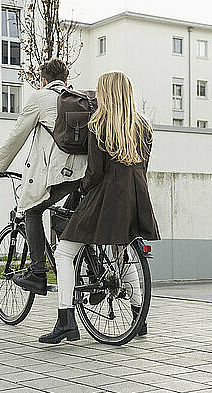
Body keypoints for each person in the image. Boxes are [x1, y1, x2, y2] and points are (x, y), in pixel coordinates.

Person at [39, 71, 161, 344]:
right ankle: (138, 318)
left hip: (106, 196)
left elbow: (95, 172)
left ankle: (66, 320)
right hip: (136, 195)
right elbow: (144, 167)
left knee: (64, 253)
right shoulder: (143, 126)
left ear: (106, 93)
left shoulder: (99, 124)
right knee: (123, 249)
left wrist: (80, 188)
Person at [0, 58, 87, 295]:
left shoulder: (40, 98)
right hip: (83, 174)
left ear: (43, 79)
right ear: (66, 78)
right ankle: (91, 271)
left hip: (59, 175)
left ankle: (38, 273)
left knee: (32, 211)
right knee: (71, 216)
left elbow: (17, 135)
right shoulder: (79, 99)